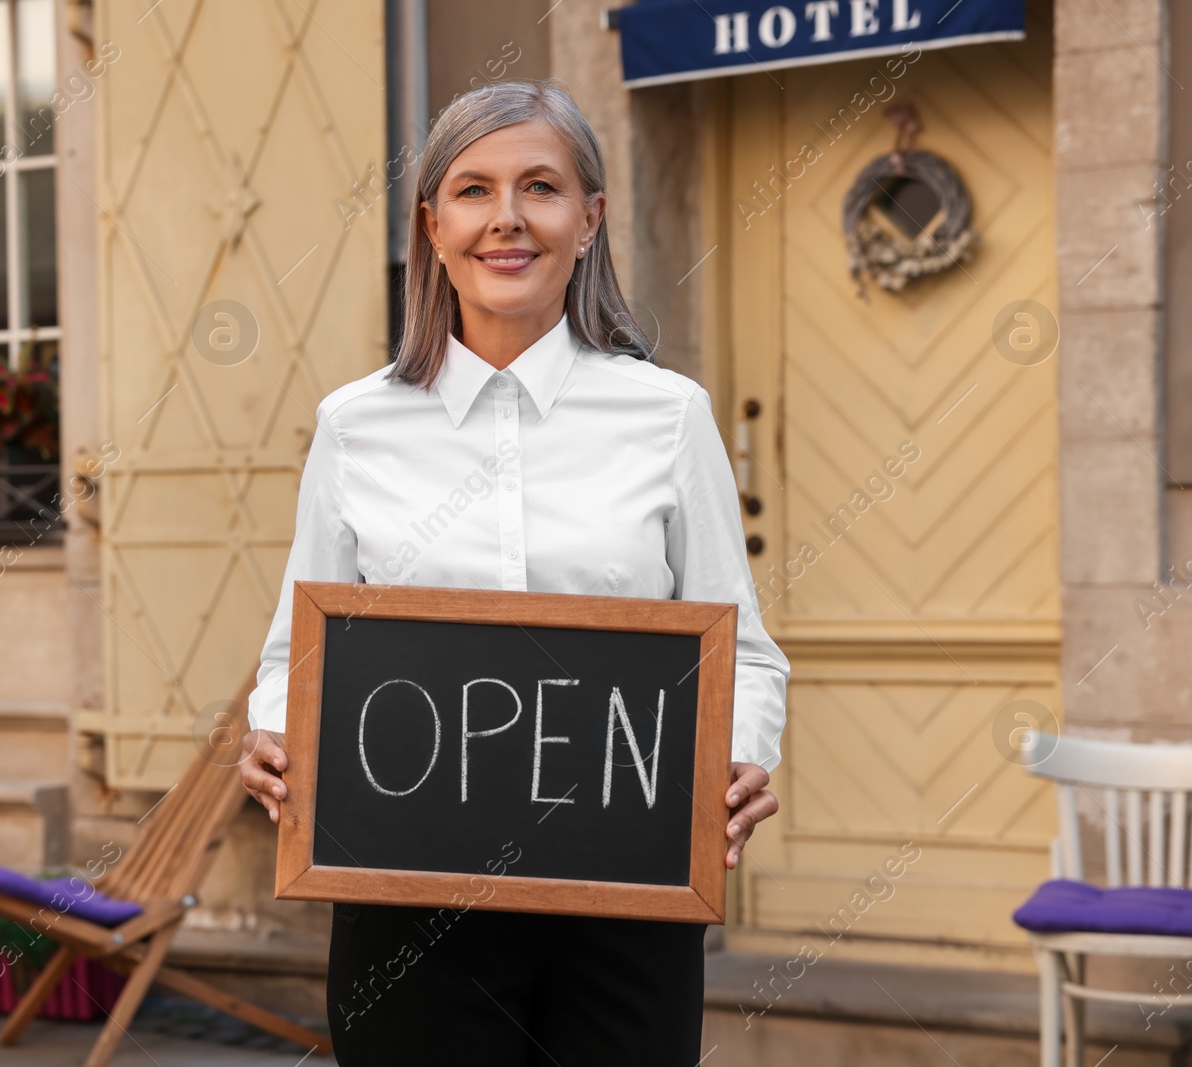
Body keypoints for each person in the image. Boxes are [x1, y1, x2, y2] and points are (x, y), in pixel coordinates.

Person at [237, 78, 788, 1065]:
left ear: (589, 220)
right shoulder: (355, 426)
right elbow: (297, 651)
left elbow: (743, 649)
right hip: (404, 896)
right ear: (432, 226)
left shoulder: (667, 416)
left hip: (625, 889)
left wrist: (742, 752)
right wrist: (274, 736)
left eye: (539, 187)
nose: (506, 218)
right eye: (472, 189)